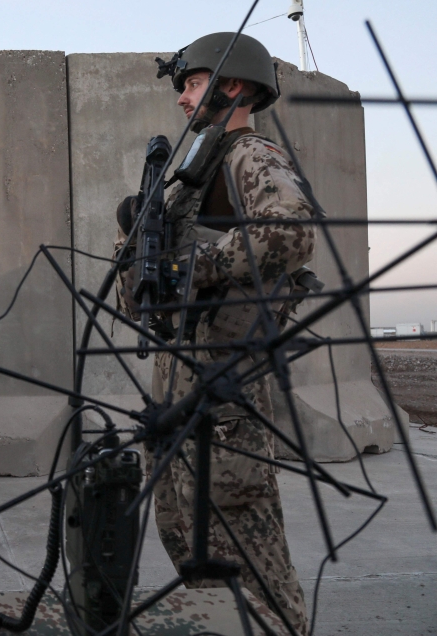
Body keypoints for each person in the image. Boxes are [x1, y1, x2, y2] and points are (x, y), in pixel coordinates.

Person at [116, 33, 312, 633]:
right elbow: (147, 298)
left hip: (225, 392)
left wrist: (189, 266)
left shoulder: (250, 155)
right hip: (176, 386)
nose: (182, 100)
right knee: (189, 544)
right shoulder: (193, 174)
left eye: (193, 84)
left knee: (245, 554)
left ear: (234, 86)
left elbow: (289, 232)